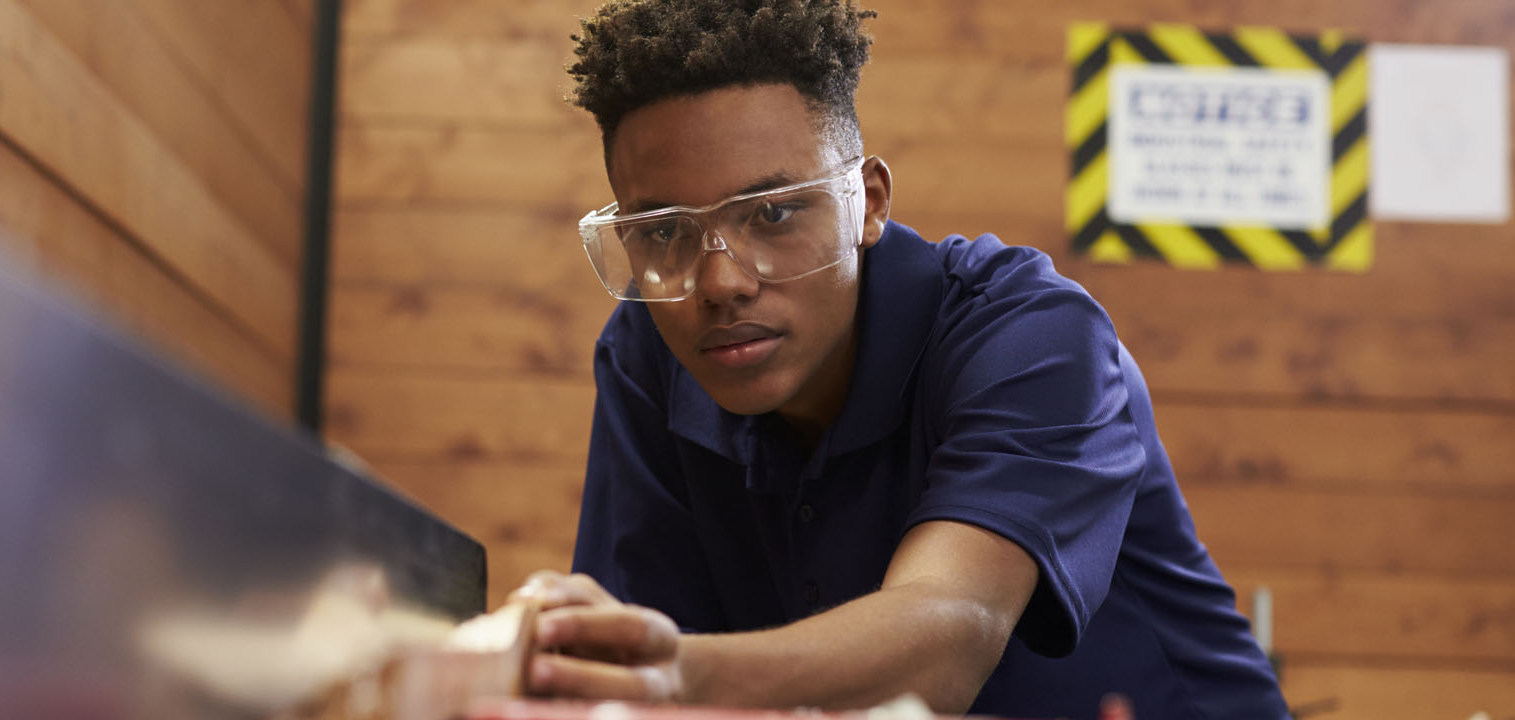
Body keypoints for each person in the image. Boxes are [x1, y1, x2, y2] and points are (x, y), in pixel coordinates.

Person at [508, 2, 1289, 718]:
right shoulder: (648, 353)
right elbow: (646, 648)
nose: (720, 282)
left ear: (869, 203)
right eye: (663, 231)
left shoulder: (1033, 333)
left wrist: (673, 675)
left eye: (774, 213)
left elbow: (952, 633)